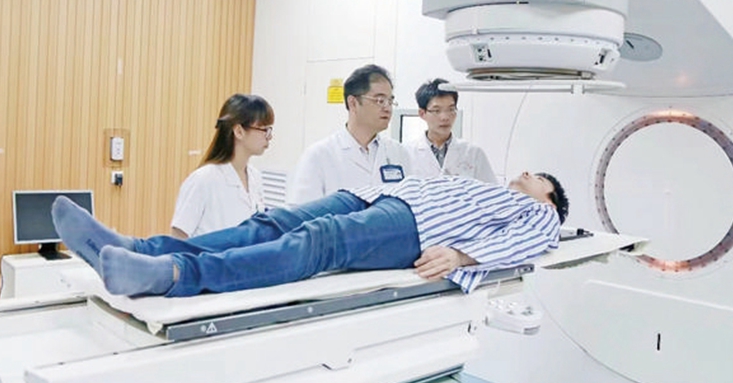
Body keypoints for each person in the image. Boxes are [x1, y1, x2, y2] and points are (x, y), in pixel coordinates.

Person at [52, 171, 569, 298]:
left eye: (536, 177)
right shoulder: (485, 185)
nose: (524, 174)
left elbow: (533, 239)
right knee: (270, 222)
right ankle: (134, 249)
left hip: (414, 227)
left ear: (548, 197)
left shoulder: (539, 212)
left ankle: (170, 274)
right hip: (374, 196)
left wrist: (460, 255)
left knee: (317, 241)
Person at [287, 64, 414, 204]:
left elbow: (410, 205)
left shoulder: (399, 153)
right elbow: (301, 213)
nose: (388, 108)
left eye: (390, 101)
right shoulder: (318, 156)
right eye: (380, 100)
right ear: (353, 103)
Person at [169, 94, 274, 239]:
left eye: (270, 130)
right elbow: (178, 237)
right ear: (239, 131)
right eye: (264, 130)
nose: (269, 137)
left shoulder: (255, 177)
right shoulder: (203, 179)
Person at [405, 78, 497, 183]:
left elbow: (491, 190)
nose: (445, 117)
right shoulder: (407, 153)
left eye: (451, 109)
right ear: (422, 113)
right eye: (437, 111)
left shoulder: (473, 153)